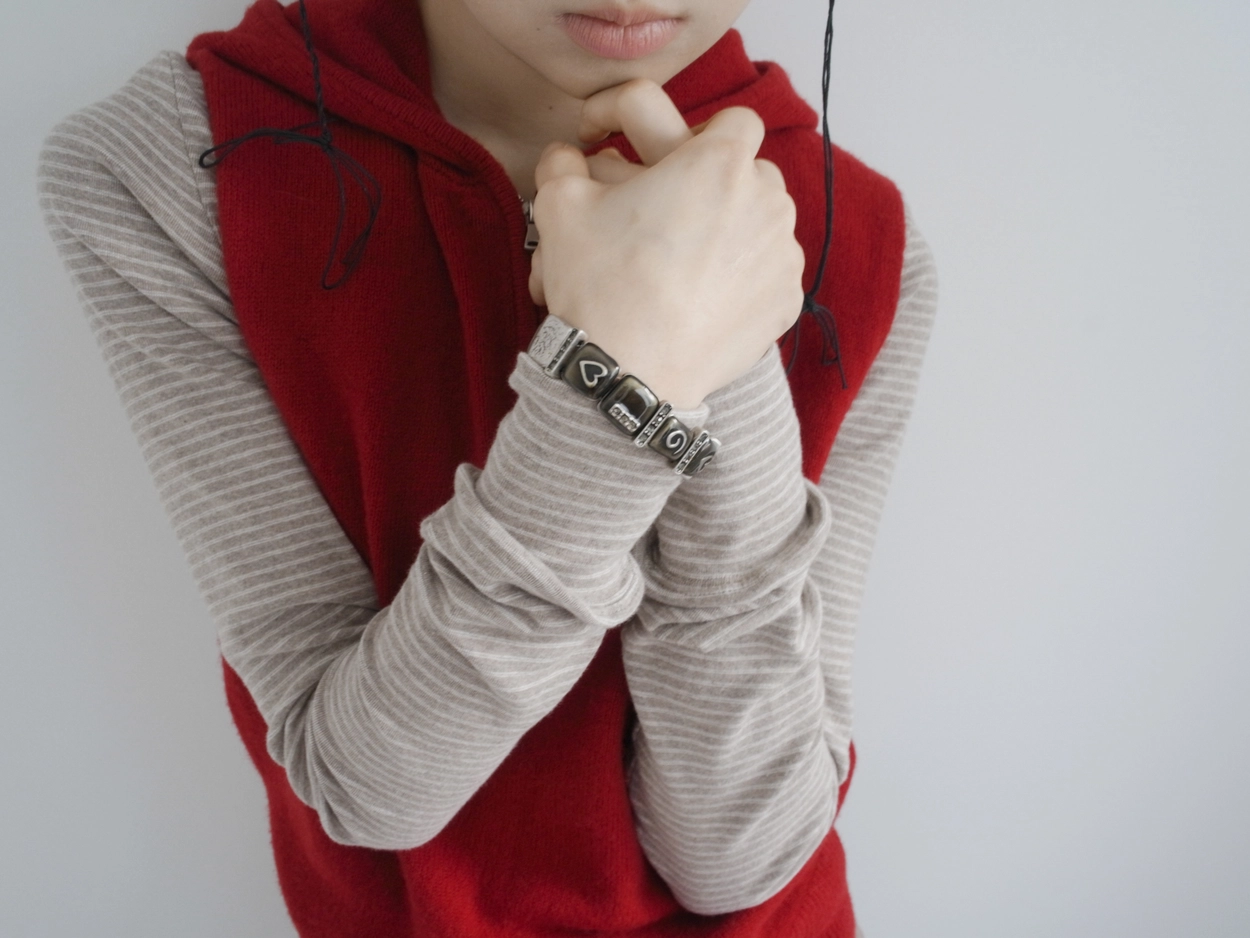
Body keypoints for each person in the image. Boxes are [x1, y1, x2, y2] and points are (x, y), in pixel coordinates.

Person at [37, 0, 937, 935]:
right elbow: (366, 792)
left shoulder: (868, 238)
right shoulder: (178, 162)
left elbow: (739, 857)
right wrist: (622, 378)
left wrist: (727, 342)